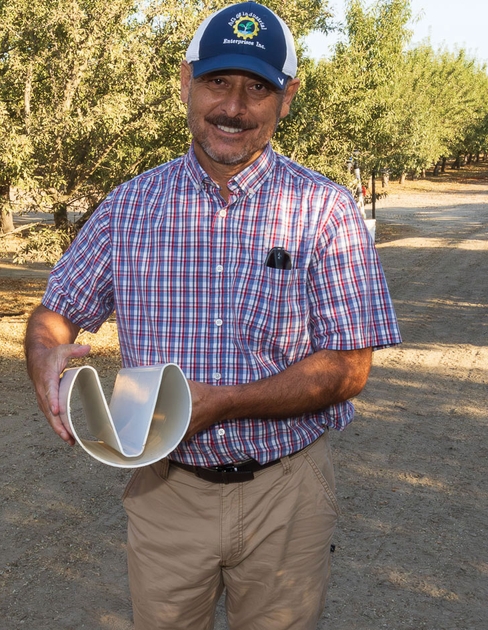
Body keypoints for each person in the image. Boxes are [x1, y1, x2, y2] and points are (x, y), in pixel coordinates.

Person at [23, 2, 402, 628]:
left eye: (258, 87)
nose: (234, 106)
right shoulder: (131, 207)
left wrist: (221, 402)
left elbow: (347, 368)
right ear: (185, 82)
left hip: (288, 492)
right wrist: (46, 356)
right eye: (217, 82)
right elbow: (55, 314)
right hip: (164, 491)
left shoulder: (324, 210)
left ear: (288, 97)